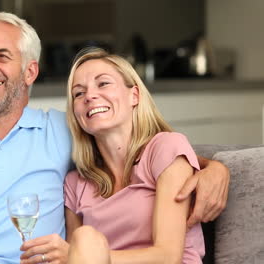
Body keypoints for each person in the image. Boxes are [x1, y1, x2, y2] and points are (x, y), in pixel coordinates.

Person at [0, 11, 229, 264]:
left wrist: (216, 169)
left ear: (30, 71)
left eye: (2, 56)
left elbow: (149, 147)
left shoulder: (62, 131)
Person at [20, 48, 207, 264]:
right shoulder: (75, 184)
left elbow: (167, 256)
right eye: (78, 93)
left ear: (134, 95)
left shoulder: (165, 149)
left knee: (85, 239)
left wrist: (90, 256)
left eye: (103, 83)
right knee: (84, 239)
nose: (89, 96)